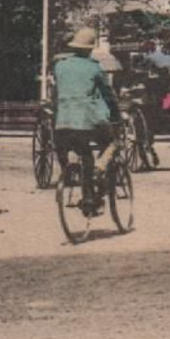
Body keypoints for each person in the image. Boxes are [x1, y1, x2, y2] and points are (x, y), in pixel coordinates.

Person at [52, 27, 121, 214]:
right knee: (113, 142)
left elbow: (56, 92)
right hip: (86, 120)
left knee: (84, 154)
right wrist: (117, 115)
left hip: (63, 121)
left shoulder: (60, 66)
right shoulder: (94, 67)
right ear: (90, 48)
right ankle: (99, 169)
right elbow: (109, 95)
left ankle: (88, 195)